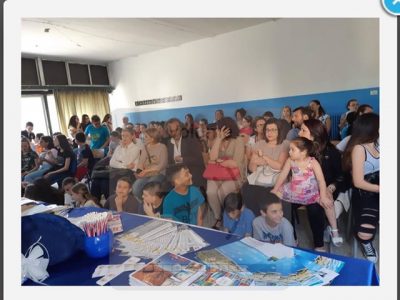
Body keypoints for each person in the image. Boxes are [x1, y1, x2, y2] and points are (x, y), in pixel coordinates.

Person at [271, 137, 342, 251]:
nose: (289, 152)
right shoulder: (290, 161)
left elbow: (321, 180)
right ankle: (292, 239)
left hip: (310, 195)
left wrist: (322, 196)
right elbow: (283, 175)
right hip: (293, 193)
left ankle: (321, 242)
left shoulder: (312, 162)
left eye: (292, 150)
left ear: (303, 152)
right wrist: (275, 189)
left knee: (320, 207)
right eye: (290, 149)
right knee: (284, 208)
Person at [299, 119, 346, 246]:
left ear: (314, 135)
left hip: (331, 187)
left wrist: (330, 188)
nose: (299, 133)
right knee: (314, 205)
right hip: (307, 188)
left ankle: (326, 233)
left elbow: (341, 177)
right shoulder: (301, 151)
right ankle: (319, 244)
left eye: (303, 130)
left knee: (317, 206)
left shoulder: (331, 152)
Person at [342, 113, 379, 263]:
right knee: (364, 233)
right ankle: (366, 243)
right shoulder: (359, 149)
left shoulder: (379, 143)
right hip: (365, 190)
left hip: (379, 184)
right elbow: (358, 182)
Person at [206, 117, 246, 229]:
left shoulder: (238, 140)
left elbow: (236, 163)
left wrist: (221, 162)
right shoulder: (216, 140)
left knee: (221, 192)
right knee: (211, 192)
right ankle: (219, 217)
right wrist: (219, 139)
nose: (217, 131)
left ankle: (228, 216)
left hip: (234, 175)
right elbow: (212, 158)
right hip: (217, 174)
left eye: (219, 128)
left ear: (227, 128)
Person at [165, 118, 206, 191]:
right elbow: (170, 163)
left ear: (181, 128)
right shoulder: (169, 142)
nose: (175, 133)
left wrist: (183, 159)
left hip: (192, 171)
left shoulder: (190, 138)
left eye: (177, 129)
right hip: (178, 174)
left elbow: (199, 159)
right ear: (168, 132)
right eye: (171, 131)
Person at [132, 128, 168, 203]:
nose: (143, 139)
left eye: (146, 137)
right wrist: (139, 172)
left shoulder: (162, 147)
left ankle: (152, 204)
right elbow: (141, 163)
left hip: (159, 173)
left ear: (152, 138)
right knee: (136, 187)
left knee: (149, 186)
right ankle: (145, 204)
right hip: (147, 174)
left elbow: (162, 166)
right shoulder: (145, 147)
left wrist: (146, 171)